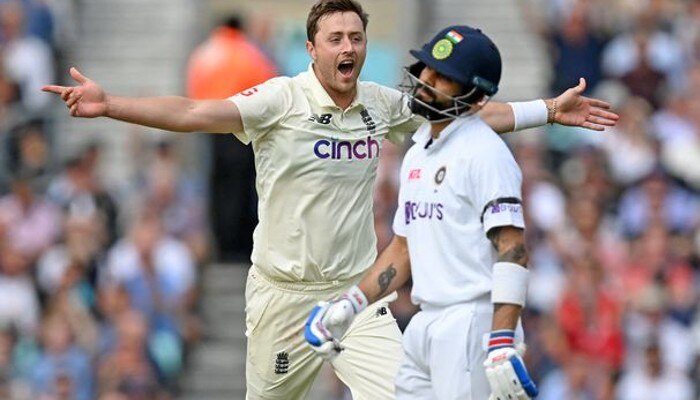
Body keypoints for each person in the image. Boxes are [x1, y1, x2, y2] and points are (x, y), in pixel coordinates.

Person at [42, 1, 618, 398]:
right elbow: (195, 113)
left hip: (355, 296)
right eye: (336, 38)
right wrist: (109, 102)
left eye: (357, 37)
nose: (348, 47)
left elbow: (465, 112)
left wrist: (546, 109)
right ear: (313, 48)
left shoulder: (381, 103)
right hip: (281, 295)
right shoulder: (279, 100)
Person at [304, 25, 540, 399]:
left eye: (444, 77)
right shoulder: (417, 151)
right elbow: (403, 249)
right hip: (423, 321)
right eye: (427, 67)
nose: (426, 79)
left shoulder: (485, 153)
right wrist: (349, 304)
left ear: (476, 98)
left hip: (470, 324)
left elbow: (513, 248)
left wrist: (501, 339)